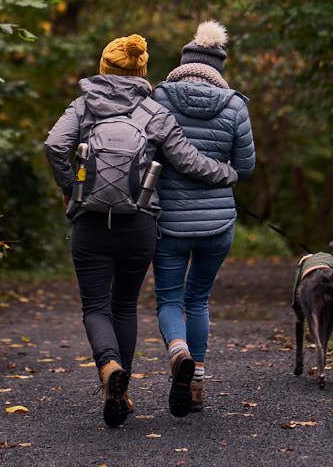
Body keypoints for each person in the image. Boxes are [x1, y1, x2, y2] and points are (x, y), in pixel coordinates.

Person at [44, 34, 240, 428]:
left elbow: (53, 145)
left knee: (96, 307)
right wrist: (228, 173)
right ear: (142, 70)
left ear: (103, 67)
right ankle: (123, 385)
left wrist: (72, 189)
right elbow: (188, 161)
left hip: (90, 223)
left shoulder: (83, 106)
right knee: (124, 306)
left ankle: (111, 373)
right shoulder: (153, 112)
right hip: (139, 223)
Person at [150, 21, 255, 417]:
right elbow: (244, 167)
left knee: (170, 298)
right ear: (218, 69)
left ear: (183, 62)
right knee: (198, 298)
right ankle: (195, 387)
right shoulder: (234, 106)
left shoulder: (158, 99)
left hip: (168, 222)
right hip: (218, 223)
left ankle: (178, 352)